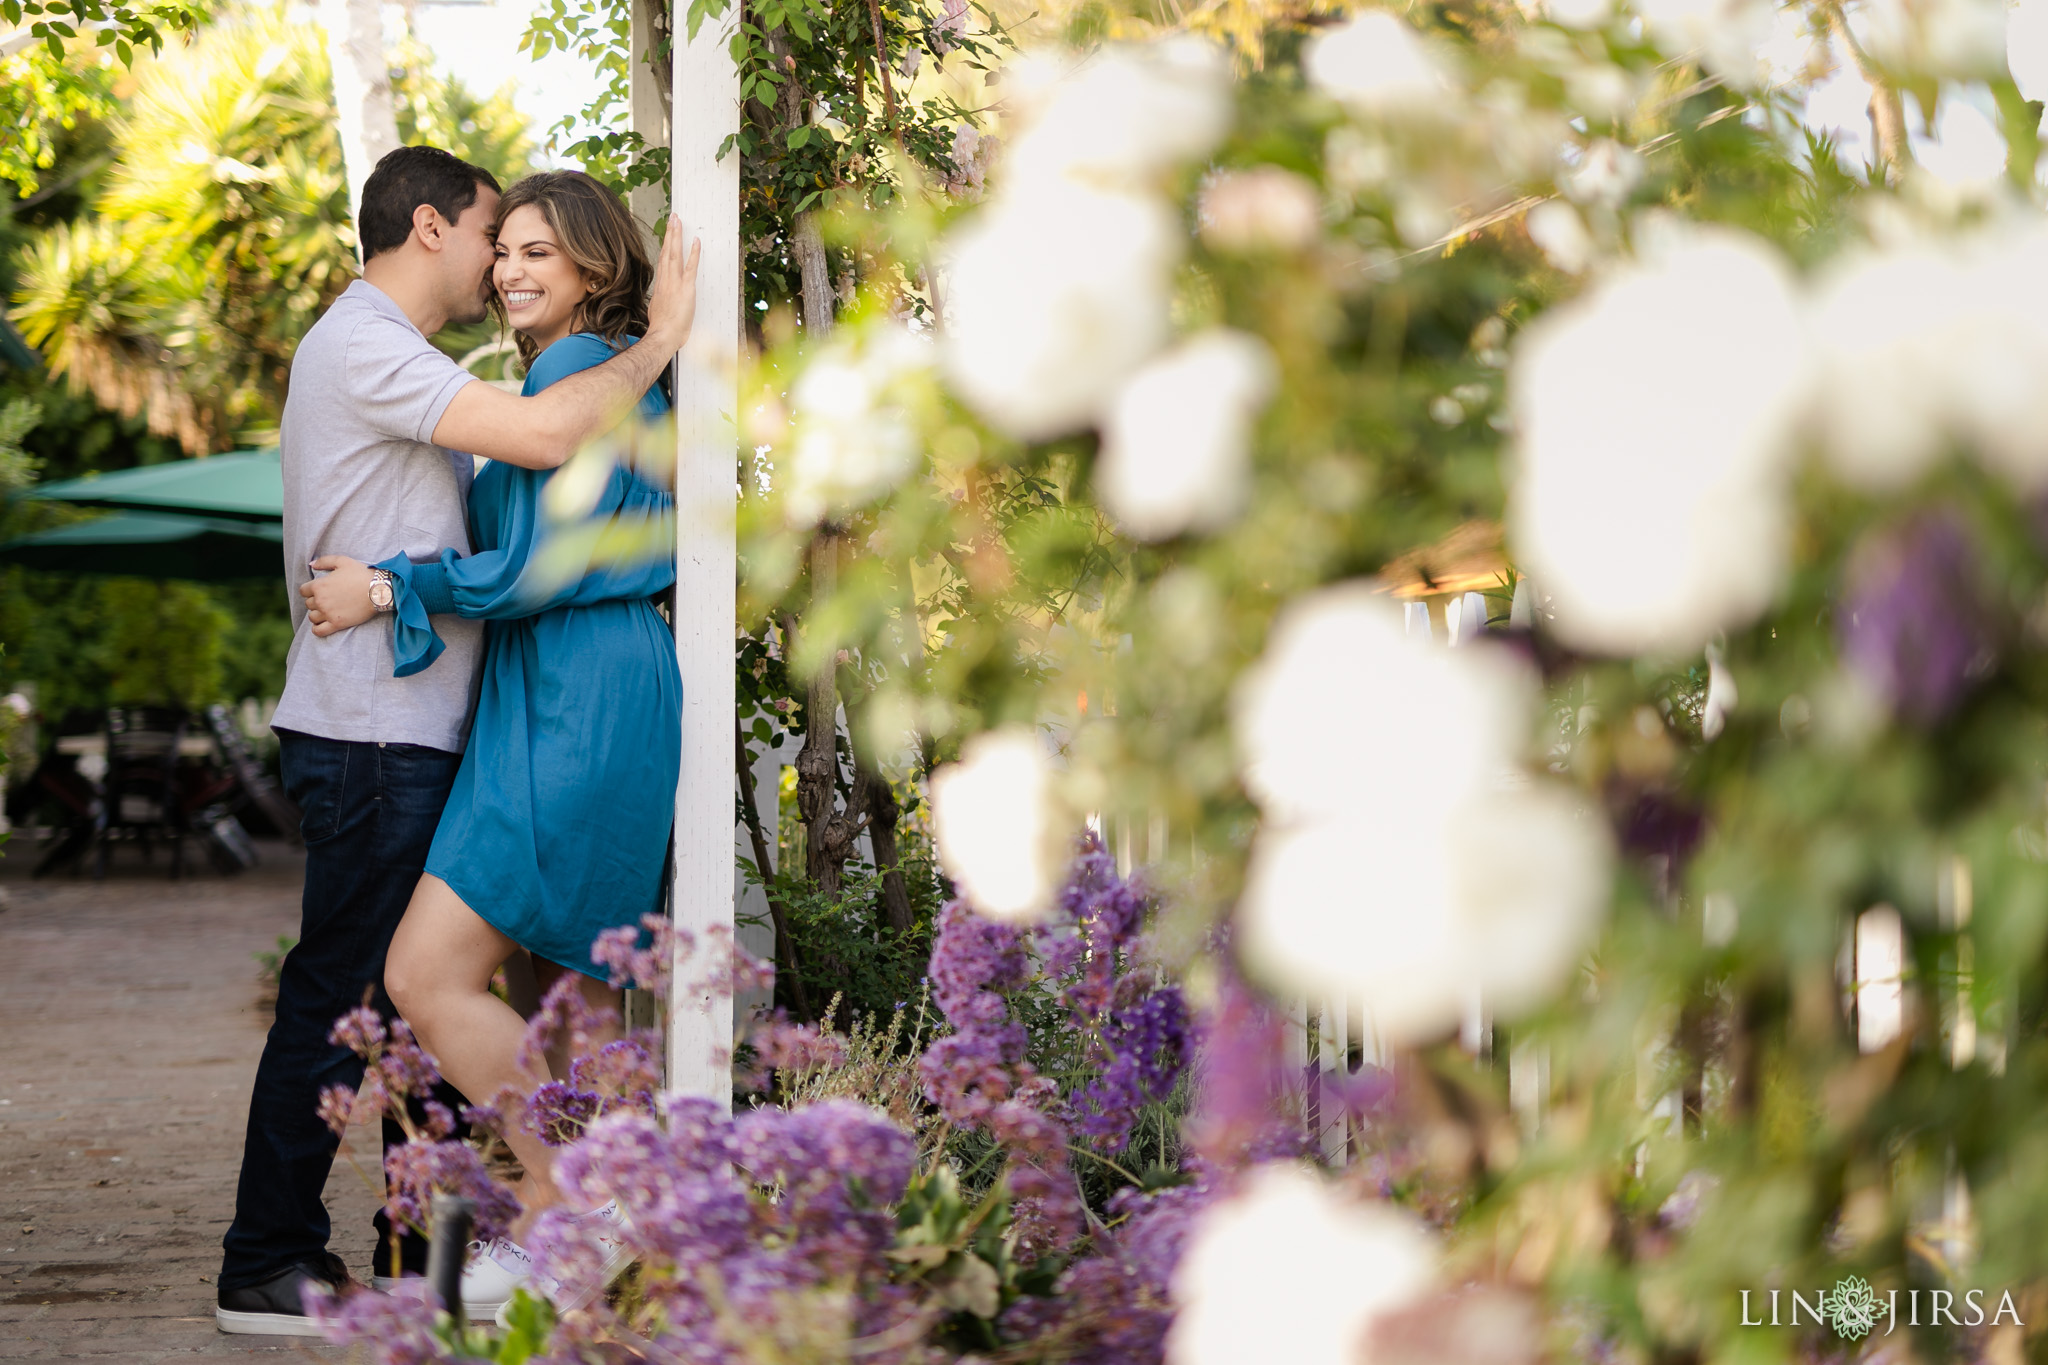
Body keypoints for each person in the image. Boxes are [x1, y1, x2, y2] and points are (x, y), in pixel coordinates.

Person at [215, 147, 700, 1338]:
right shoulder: (374, 345)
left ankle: (480, 1235)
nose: (501, 265)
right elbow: (540, 462)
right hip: (394, 726)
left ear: (591, 268)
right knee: (372, 992)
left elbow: (544, 513)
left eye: (536, 249)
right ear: (433, 228)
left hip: (514, 706)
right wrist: (656, 343)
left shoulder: (572, 369)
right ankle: (287, 1257)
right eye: (500, 239)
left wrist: (390, 587)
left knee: (441, 987)